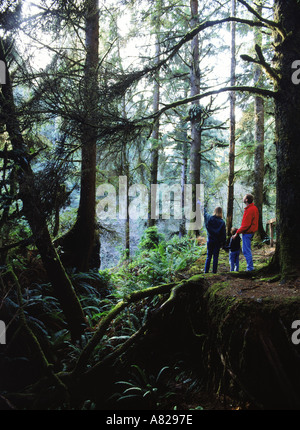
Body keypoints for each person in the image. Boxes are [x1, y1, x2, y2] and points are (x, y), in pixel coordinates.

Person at [232, 194, 259, 271]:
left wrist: (237, 232)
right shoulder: (252, 208)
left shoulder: (250, 209)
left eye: (244, 197)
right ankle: (250, 267)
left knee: (246, 250)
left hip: (248, 232)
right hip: (249, 232)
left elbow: (246, 225)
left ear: (246, 200)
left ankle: (250, 268)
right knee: (246, 250)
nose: (243, 198)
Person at [204, 206, 226, 274]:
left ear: (215, 211)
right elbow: (223, 234)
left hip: (210, 240)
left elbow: (205, 214)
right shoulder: (222, 222)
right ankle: (214, 272)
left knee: (209, 256)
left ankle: (206, 271)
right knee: (215, 256)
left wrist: (203, 207)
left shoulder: (210, 218)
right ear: (221, 212)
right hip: (217, 242)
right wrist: (223, 243)